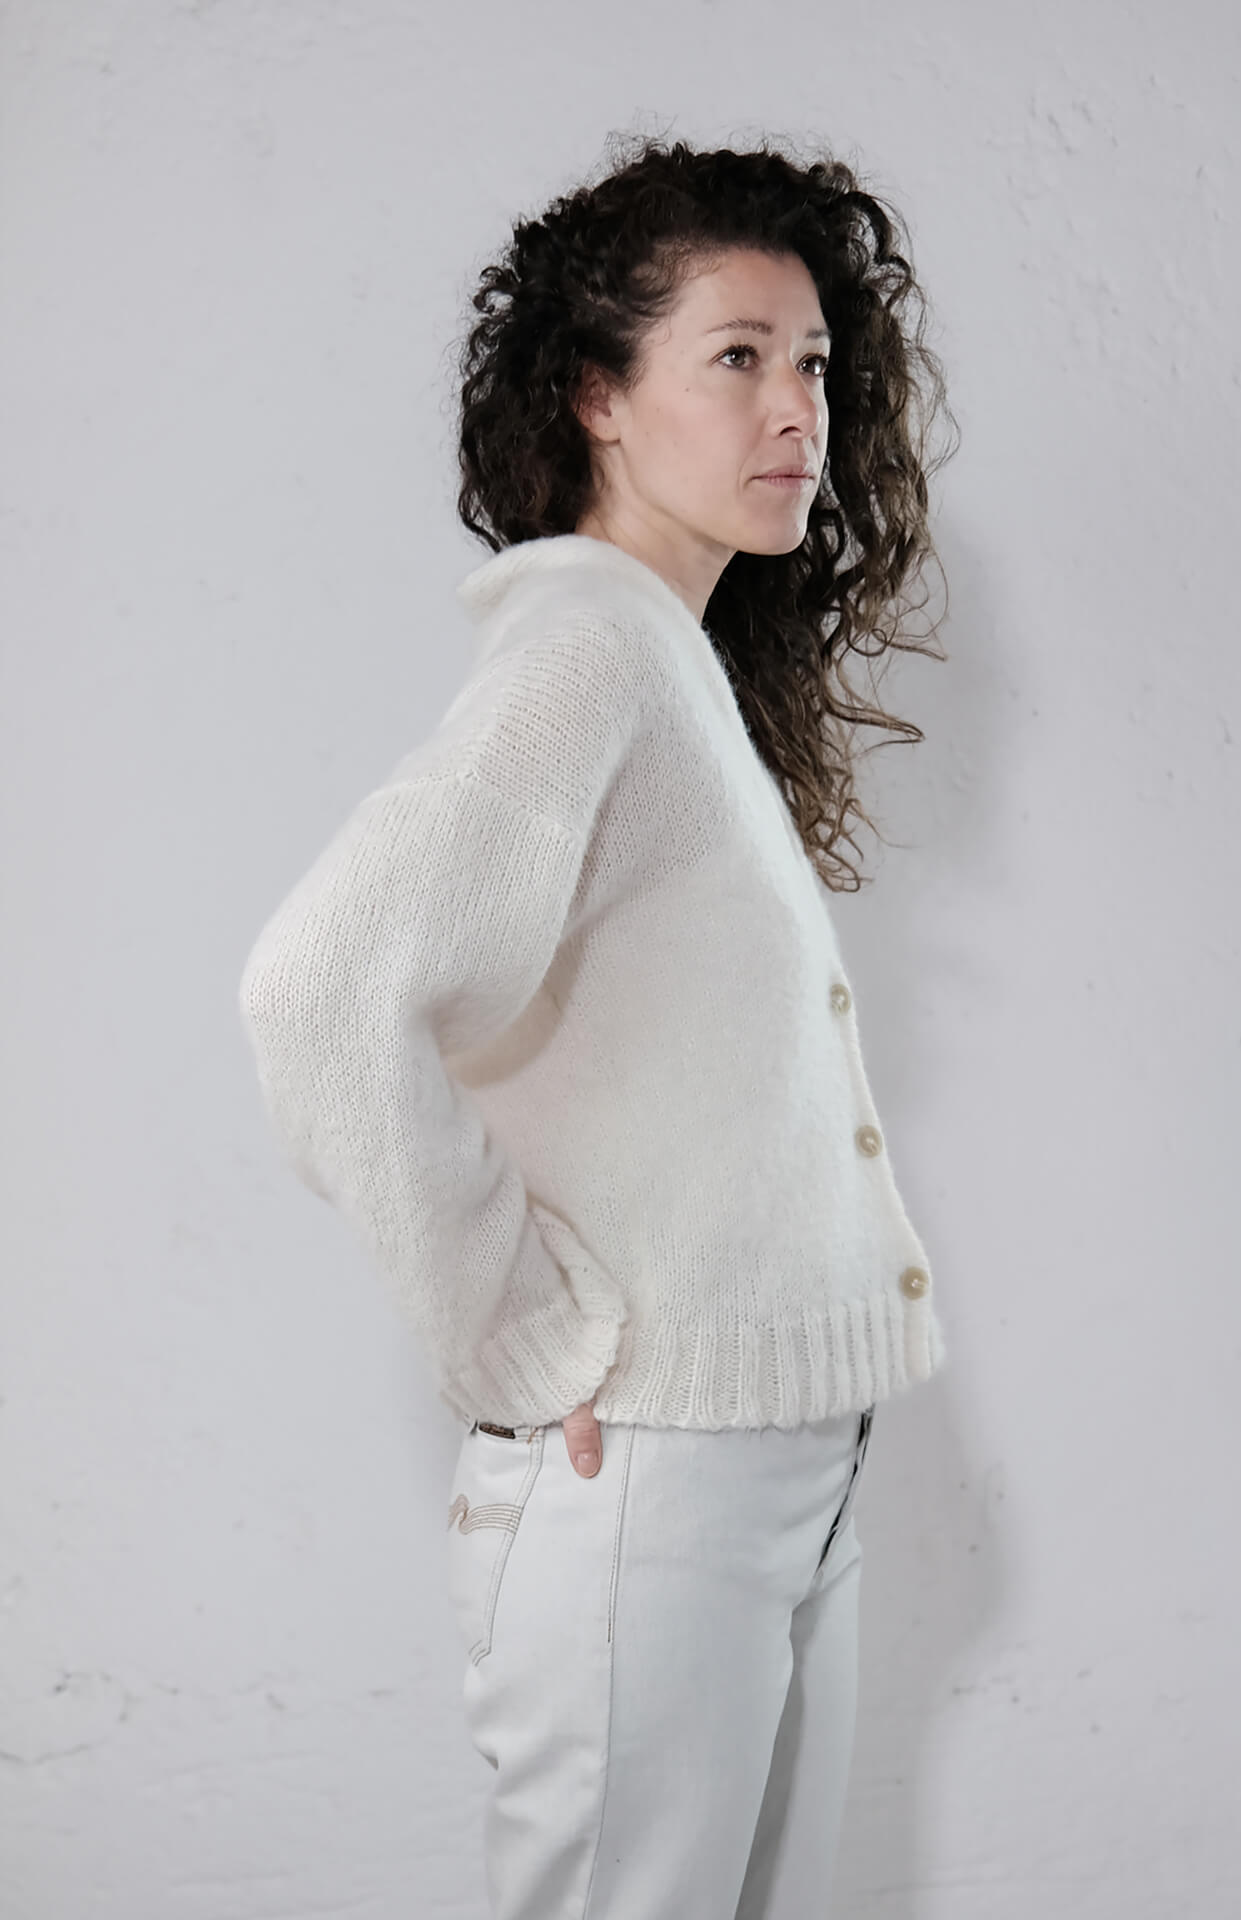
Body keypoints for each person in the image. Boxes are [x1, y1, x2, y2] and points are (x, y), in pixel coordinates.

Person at [238, 133, 958, 1920]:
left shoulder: (669, 668)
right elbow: (319, 987)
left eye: (813, 363)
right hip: (658, 1476)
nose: (794, 409)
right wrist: (516, 1328)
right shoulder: (588, 655)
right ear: (599, 398)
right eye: (737, 356)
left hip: (779, 1461)